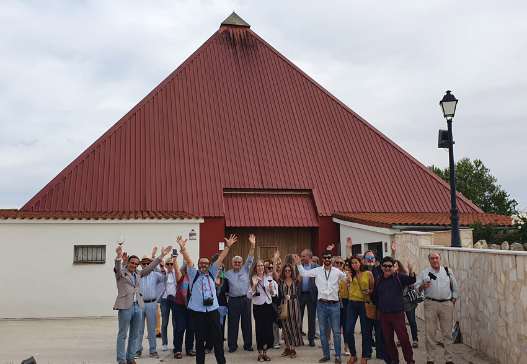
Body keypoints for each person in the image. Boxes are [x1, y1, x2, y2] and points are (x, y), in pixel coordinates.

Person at [181, 234, 236, 364]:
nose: (203, 265)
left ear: (209, 265)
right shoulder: (193, 273)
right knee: (199, 341)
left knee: (217, 340)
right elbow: (189, 261)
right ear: (198, 264)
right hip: (198, 312)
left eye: (206, 263)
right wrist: (183, 249)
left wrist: (228, 247)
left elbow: (221, 258)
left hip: (212, 311)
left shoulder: (212, 272)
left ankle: (221, 362)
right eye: (201, 263)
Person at [113, 244, 172, 364]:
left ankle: (130, 358)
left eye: (136, 263)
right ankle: (121, 360)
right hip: (125, 307)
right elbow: (118, 268)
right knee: (123, 334)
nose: (134, 265)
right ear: (128, 263)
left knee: (135, 334)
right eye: (132, 263)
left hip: (138, 306)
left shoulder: (139, 274)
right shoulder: (121, 273)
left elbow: (151, 267)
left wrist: (161, 255)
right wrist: (119, 257)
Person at [295, 250, 347, 364]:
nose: (327, 260)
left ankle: (338, 356)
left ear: (331, 259)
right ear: (322, 259)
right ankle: (326, 355)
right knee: (323, 332)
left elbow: (347, 278)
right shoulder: (317, 270)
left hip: (334, 305)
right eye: (325, 258)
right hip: (321, 305)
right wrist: (299, 264)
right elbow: (304, 273)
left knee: (336, 332)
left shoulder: (337, 272)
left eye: (329, 258)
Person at [415, 252, 459, 364]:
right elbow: (416, 288)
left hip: (446, 304)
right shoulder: (425, 272)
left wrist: (453, 299)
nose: (435, 260)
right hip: (431, 304)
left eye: (436, 258)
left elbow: (455, 287)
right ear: (429, 260)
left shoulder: (447, 271)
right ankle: (430, 359)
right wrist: (422, 286)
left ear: (440, 259)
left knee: (447, 333)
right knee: (430, 333)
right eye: (432, 258)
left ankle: (449, 359)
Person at [372, 256, 416, 364]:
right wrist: (381, 306)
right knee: (388, 341)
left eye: (389, 266)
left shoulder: (399, 277)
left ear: (393, 267)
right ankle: (394, 361)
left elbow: (411, 280)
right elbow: (374, 297)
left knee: (404, 340)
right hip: (384, 316)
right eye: (385, 266)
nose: (387, 268)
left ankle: (410, 361)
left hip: (398, 315)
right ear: (381, 267)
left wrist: (411, 271)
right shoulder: (378, 280)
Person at [224, 234, 256, 353]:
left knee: (247, 324)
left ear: (242, 263)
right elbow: (219, 280)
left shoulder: (246, 269)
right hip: (233, 301)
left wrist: (252, 245)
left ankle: (248, 345)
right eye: (235, 262)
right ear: (232, 263)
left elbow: (250, 257)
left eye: (239, 262)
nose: (237, 263)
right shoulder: (227, 274)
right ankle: (232, 346)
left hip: (245, 300)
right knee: (233, 324)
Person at [343, 256, 374, 364]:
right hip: (351, 303)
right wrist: (348, 282)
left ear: (360, 263)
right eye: (352, 263)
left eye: (356, 262)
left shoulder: (368, 274)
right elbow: (347, 289)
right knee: (348, 330)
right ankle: (353, 355)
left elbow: (373, 288)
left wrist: (369, 292)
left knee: (365, 331)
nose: (354, 265)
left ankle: (365, 355)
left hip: (364, 304)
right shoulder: (350, 274)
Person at [137, 253, 167, 358]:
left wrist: (160, 266)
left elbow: (165, 278)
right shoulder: (138, 274)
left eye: (148, 263)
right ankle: (137, 350)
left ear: (151, 264)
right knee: (139, 329)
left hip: (152, 303)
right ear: (141, 265)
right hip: (140, 303)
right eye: (143, 263)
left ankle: (153, 350)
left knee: (152, 329)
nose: (145, 265)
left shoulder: (155, 275)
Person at [247, 259, 279, 361]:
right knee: (260, 330)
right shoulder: (252, 279)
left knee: (268, 330)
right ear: (255, 268)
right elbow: (248, 295)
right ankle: (260, 353)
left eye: (262, 266)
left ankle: (265, 352)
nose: (260, 267)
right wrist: (254, 285)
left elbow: (274, 294)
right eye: (258, 266)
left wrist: (271, 290)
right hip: (258, 307)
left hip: (268, 306)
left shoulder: (268, 278)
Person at [362, 251, 387, 363]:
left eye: (372, 257)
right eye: (368, 257)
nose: (370, 259)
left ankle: (380, 352)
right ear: (364, 259)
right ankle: (367, 353)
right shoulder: (361, 271)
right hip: (366, 305)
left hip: (379, 305)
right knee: (366, 331)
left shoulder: (379, 271)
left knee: (379, 330)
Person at [277, 263, 304, 358]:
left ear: (292, 271)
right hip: (284, 305)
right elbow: (275, 274)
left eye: (289, 270)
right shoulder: (281, 281)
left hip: (294, 304)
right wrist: (275, 259)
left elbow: (302, 273)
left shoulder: (296, 280)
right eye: (286, 270)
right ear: (283, 272)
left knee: (294, 326)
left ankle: (293, 349)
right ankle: (288, 348)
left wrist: (298, 263)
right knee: (285, 327)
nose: (287, 272)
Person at [393, 260, 418, 349]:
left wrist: (411, 271)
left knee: (412, 321)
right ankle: (401, 339)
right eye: (393, 265)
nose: (394, 267)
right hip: (397, 304)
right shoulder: (390, 277)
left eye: (396, 265)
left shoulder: (403, 276)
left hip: (408, 302)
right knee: (400, 323)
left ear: (399, 266)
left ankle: (415, 340)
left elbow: (412, 281)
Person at [297, 249, 319, 347]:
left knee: (311, 318)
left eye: (303, 256)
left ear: (309, 257)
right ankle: (298, 338)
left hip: (311, 295)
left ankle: (311, 339)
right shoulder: (298, 267)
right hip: (300, 295)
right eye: (301, 256)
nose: (301, 258)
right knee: (298, 318)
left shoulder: (316, 267)